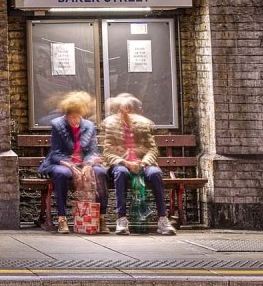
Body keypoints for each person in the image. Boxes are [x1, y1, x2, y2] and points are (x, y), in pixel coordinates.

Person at [101, 93, 176, 235]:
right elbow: (108, 152)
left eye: (128, 109)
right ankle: (121, 219)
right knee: (121, 173)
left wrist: (144, 162)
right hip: (121, 164)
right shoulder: (111, 126)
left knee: (155, 174)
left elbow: (152, 148)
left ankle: (162, 219)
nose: (125, 112)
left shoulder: (143, 126)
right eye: (122, 109)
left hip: (142, 163)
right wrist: (125, 162)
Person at [39, 91, 109, 234]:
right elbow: (55, 153)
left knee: (100, 172)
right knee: (61, 174)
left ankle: (101, 217)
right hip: (63, 163)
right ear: (67, 115)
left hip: (84, 163)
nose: (75, 120)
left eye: (78, 116)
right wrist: (71, 166)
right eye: (72, 117)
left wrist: (88, 164)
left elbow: (93, 150)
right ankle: (62, 218)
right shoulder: (58, 125)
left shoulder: (89, 126)